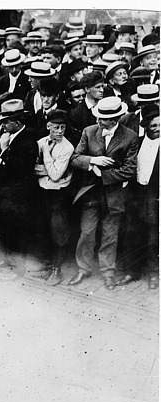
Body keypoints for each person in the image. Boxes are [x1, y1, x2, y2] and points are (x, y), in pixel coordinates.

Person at [68, 96, 138, 290]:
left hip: (114, 194)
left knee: (110, 234)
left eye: (102, 119)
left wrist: (104, 175)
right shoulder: (89, 132)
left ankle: (108, 272)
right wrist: (93, 163)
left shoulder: (130, 137)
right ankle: (84, 268)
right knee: (86, 232)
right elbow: (75, 157)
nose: (98, 122)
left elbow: (129, 169)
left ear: (114, 120)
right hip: (91, 193)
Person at [0, 99, 39, 279]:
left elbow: (20, 169)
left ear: (16, 122)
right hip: (6, 192)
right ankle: (7, 259)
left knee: (18, 231)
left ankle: (18, 270)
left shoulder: (29, 141)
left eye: (6, 122)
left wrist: (4, 149)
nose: (3, 125)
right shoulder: (10, 135)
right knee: (7, 228)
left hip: (20, 194)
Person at [116, 105, 159, 289]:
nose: (158, 128)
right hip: (136, 192)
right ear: (146, 126)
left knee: (152, 234)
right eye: (154, 125)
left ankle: (153, 273)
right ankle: (132, 271)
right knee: (132, 232)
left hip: (154, 194)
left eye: (160, 124)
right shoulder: (138, 142)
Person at [33, 109, 74, 286]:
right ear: (48, 126)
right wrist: (46, 170)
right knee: (43, 230)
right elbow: (34, 168)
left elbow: (56, 175)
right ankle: (47, 265)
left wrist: (47, 159)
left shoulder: (67, 147)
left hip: (59, 194)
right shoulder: (40, 142)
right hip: (43, 192)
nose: (59, 131)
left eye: (63, 127)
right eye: (56, 127)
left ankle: (57, 270)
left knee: (59, 232)